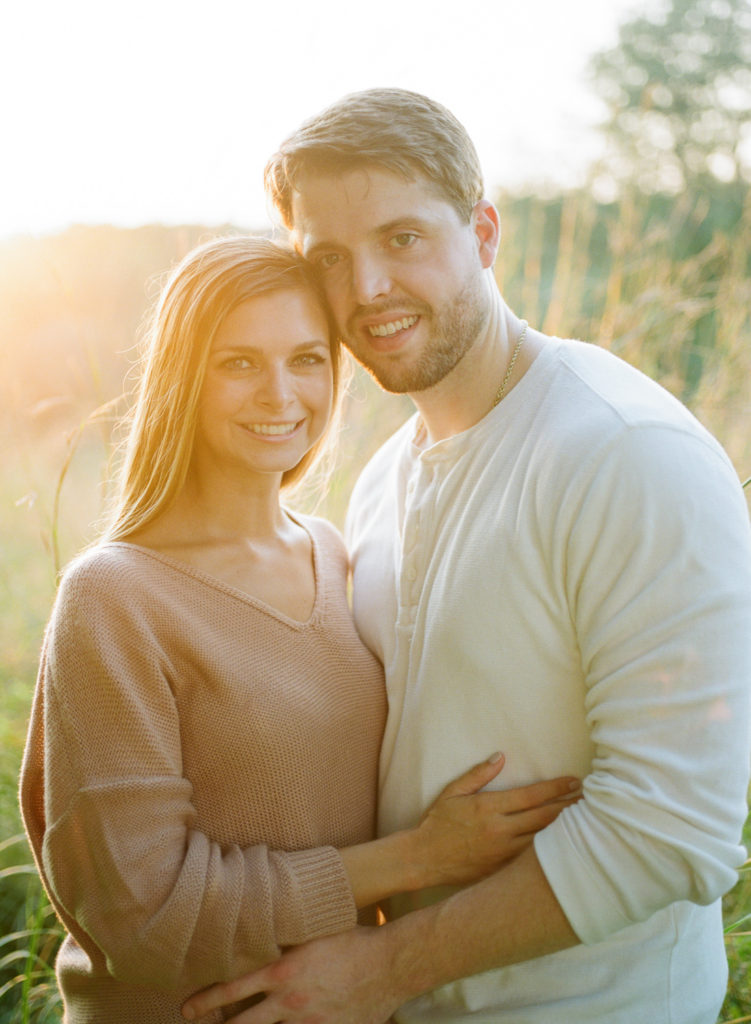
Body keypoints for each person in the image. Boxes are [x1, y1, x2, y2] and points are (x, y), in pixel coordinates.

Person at [181, 90, 751, 1024]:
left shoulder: (624, 451)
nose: (365, 288)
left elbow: (671, 832)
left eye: (402, 238)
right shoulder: (378, 482)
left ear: (483, 231)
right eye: (328, 256)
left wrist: (379, 969)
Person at [18, 235, 580, 1023]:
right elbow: (142, 916)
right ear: (183, 380)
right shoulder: (115, 597)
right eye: (238, 363)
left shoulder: (334, 552)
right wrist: (414, 858)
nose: (280, 394)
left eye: (307, 359)